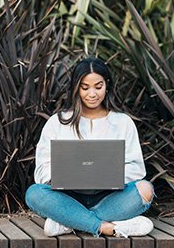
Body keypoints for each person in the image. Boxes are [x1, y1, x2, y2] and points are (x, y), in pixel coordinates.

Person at [25, 56, 155, 238]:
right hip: (67, 197)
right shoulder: (58, 122)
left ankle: (69, 222)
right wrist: (62, 177)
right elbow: (42, 169)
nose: (92, 94)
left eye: (98, 87)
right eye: (85, 88)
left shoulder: (122, 122)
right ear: (76, 88)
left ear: (107, 85)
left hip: (110, 198)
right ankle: (104, 226)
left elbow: (136, 168)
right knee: (34, 193)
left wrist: (109, 175)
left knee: (145, 189)